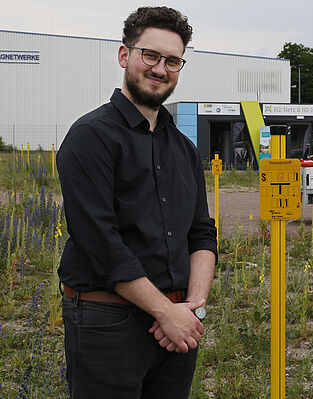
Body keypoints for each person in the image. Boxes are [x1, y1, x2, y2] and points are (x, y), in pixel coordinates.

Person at [57, 7, 217, 399]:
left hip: (178, 327)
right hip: (107, 321)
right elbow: (102, 244)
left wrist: (191, 310)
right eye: (151, 55)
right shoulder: (89, 137)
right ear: (124, 55)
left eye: (173, 60)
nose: (161, 69)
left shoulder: (184, 149)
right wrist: (166, 312)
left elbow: (201, 233)